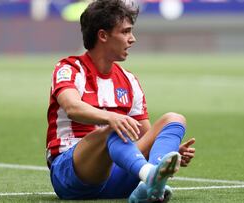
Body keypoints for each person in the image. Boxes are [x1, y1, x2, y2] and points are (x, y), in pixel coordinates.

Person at [46, 0, 196, 202]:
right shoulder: (70, 69)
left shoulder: (129, 81)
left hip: (117, 175)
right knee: (113, 129)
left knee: (174, 119)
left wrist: (167, 153)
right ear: (103, 35)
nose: (132, 39)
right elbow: (72, 107)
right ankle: (149, 176)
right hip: (72, 175)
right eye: (125, 32)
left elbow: (144, 136)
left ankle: (151, 180)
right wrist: (111, 118)